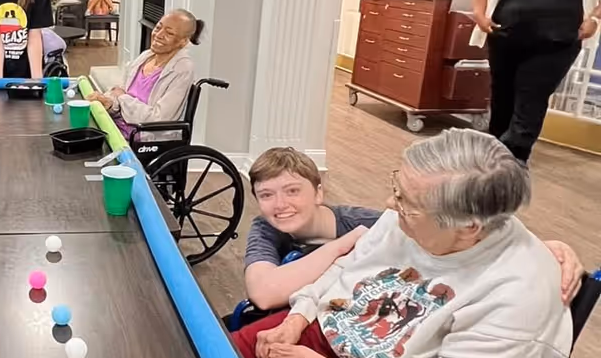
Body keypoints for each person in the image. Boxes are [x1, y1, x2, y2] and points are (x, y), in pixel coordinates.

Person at [230, 130, 572, 358]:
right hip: (343, 332)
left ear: (469, 227)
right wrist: (297, 318)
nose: (390, 205)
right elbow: (344, 268)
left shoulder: (516, 294)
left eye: (406, 203)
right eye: (398, 189)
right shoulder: (410, 220)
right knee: (231, 357)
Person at [241, 144, 583, 311]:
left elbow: (454, 218)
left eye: (292, 191)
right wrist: (345, 245)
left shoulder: (367, 221)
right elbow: (264, 293)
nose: (280, 205)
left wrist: (540, 245)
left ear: (319, 191)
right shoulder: (267, 228)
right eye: (266, 195)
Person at [472, 0, 601, 162]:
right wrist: (480, 16)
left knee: (531, 96)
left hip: (555, 44)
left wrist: (594, 20)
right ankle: (492, 152)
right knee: (502, 95)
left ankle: (514, 158)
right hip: (505, 38)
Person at [85, 9, 200, 136]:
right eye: (158, 28)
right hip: (115, 128)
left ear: (183, 41)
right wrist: (109, 102)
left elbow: (159, 120)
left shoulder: (182, 69)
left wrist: (122, 98)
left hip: (140, 141)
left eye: (169, 33)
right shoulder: (145, 56)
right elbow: (120, 91)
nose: (159, 35)